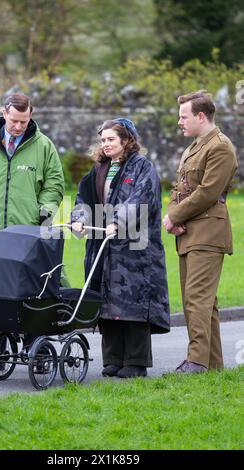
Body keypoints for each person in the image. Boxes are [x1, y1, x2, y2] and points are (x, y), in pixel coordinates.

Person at [0, 93, 66, 360]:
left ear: (31, 115)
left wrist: (44, 213)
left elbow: (54, 184)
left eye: (24, 120)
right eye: (15, 120)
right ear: (4, 113)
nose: (18, 126)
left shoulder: (43, 146)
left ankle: (36, 350)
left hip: (26, 233)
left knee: (29, 290)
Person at [71, 118, 170, 378]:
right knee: (107, 302)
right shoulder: (99, 169)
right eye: (103, 140)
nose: (105, 144)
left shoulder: (142, 167)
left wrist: (118, 222)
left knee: (133, 303)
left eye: (111, 139)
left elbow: (140, 200)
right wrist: (79, 220)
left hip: (136, 250)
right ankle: (113, 359)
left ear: (127, 140)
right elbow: (84, 199)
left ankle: (135, 362)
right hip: (103, 246)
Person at [163, 90, 238, 374]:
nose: (179, 122)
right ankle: (214, 365)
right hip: (191, 232)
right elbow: (179, 188)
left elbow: (208, 192)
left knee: (197, 298)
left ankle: (195, 362)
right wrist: (173, 214)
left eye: (184, 117)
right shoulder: (193, 147)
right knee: (204, 302)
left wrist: (175, 216)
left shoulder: (220, 147)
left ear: (201, 116)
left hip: (208, 232)